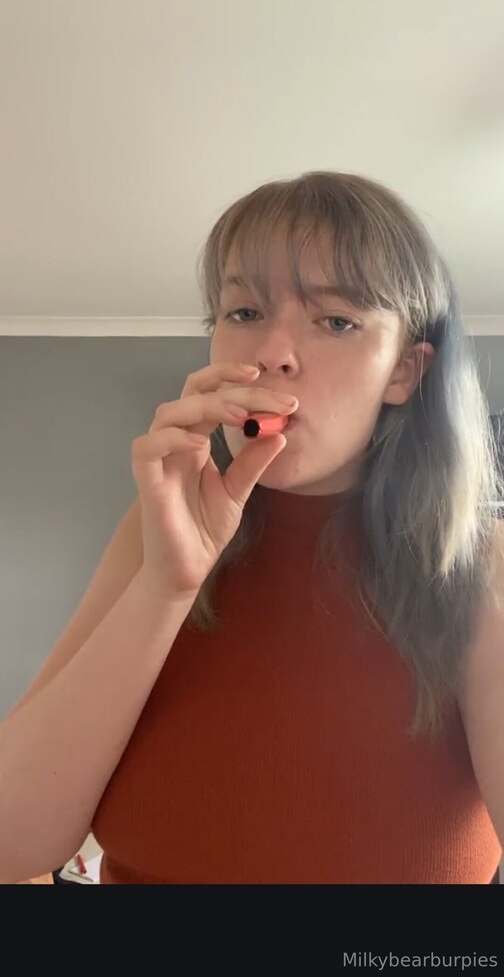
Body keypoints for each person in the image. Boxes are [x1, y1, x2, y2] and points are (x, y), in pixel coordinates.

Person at [1, 171, 504, 885]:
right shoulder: (151, 534)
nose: (272, 352)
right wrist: (166, 587)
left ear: (404, 371)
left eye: (336, 321)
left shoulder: (480, 566)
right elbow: (13, 845)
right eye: (244, 311)